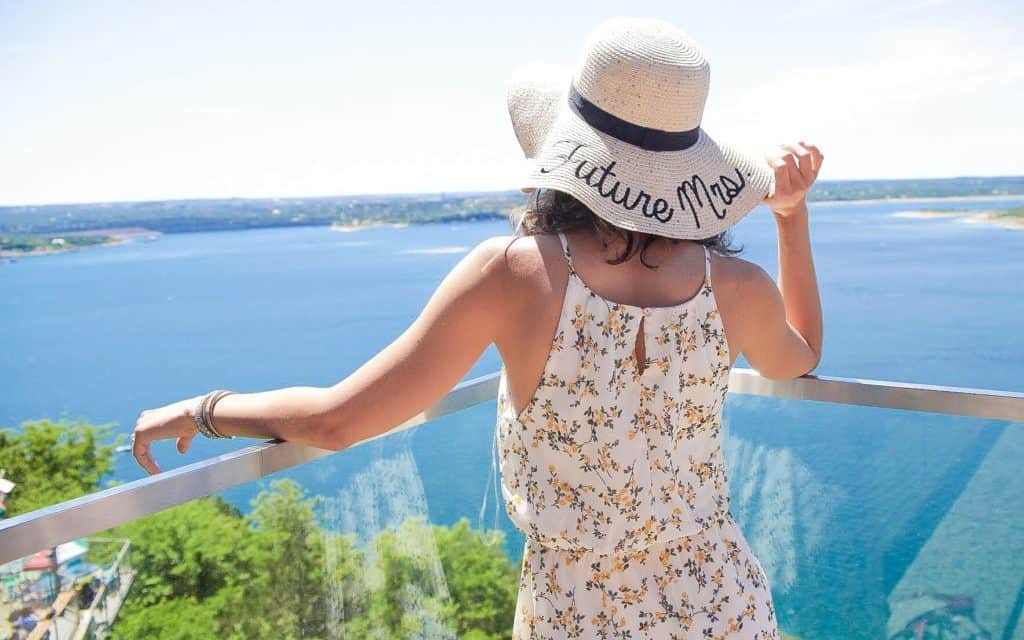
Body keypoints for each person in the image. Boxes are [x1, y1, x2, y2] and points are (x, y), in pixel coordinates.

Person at [133, 16, 822, 638]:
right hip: (724, 606)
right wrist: (791, 219)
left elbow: (337, 421)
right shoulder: (734, 287)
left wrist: (205, 410)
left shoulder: (514, 274)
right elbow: (801, 356)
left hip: (579, 615)